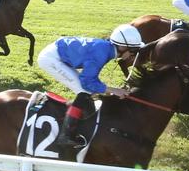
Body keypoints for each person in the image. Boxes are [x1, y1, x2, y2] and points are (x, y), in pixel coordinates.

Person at [39, 24, 141, 160]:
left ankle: (84, 128)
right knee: (84, 91)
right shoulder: (102, 53)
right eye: (133, 51)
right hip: (51, 59)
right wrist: (113, 90)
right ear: (123, 48)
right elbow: (87, 81)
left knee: (88, 92)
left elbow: (91, 79)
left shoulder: (107, 49)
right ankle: (66, 135)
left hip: (58, 52)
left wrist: (108, 90)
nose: (132, 56)